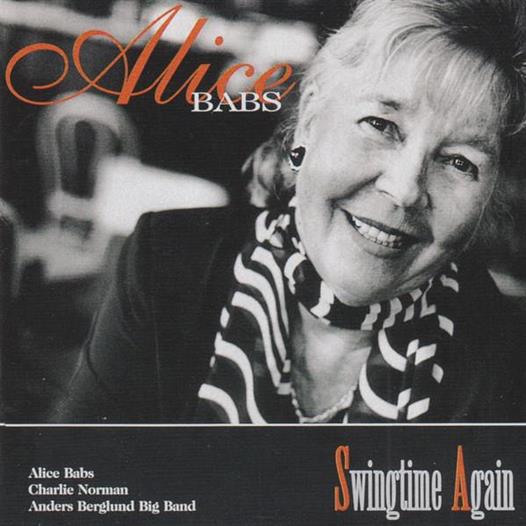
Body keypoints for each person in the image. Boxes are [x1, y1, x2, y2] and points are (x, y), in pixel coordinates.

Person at [52, 0, 526, 423]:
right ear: (310, 121)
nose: (404, 190)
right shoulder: (166, 264)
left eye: (460, 162)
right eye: (381, 125)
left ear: (489, 194)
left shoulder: (509, 363)